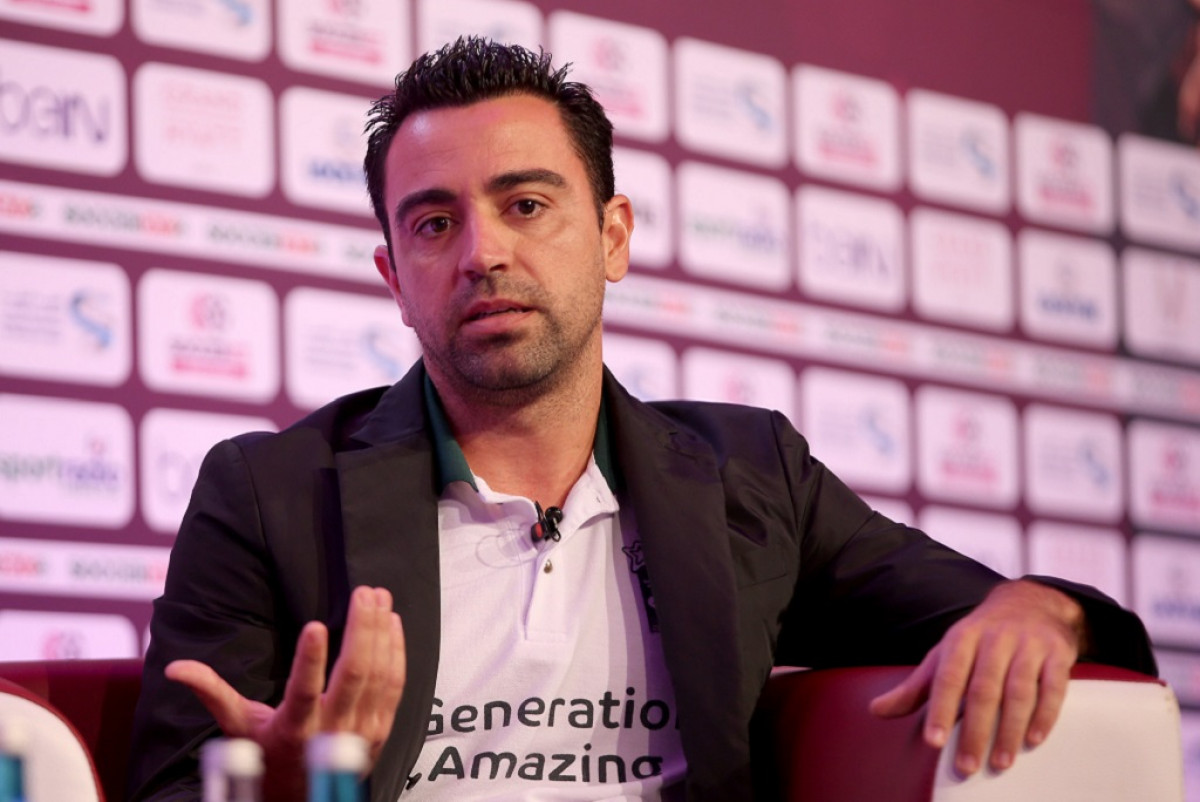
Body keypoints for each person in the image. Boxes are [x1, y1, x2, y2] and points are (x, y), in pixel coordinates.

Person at [127, 37, 1156, 802]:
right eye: (436, 223)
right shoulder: (268, 494)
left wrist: (1044, 610)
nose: (483, 252)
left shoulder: (752, 477)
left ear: (613, 237)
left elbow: (1002, 615)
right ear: (396, 278)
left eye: (527, 205)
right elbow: (171, 782)